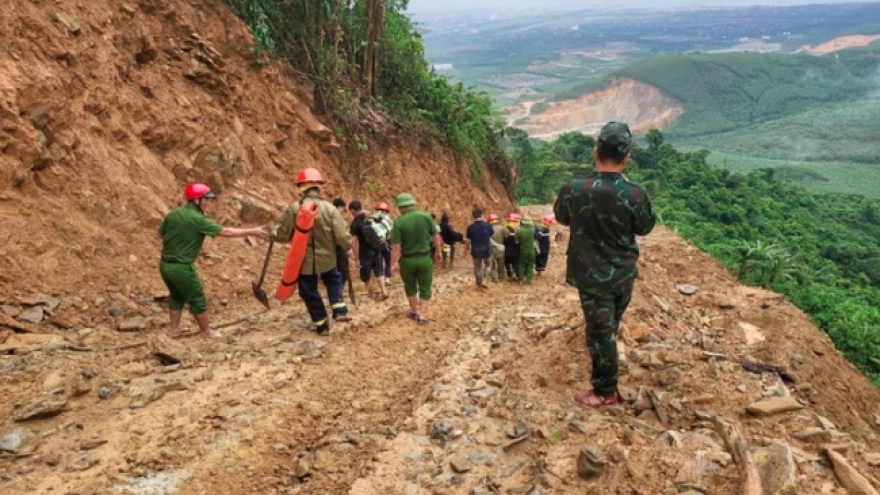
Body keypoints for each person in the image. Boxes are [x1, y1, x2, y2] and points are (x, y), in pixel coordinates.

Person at [553, 121, 656, 407]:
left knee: (599, 333)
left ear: (596, 151)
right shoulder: (635, 193)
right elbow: (645, 228)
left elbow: (562, 218)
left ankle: (605, 391)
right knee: (606, 328)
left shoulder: (573, 189)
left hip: (589, 275)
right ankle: (606, 377)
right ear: (627, 157)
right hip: (623, 273)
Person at [158, 183, 268, 338]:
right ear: (196, 200)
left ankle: (174, 329)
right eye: (206, 199)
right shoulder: (198, 219)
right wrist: (252, 231)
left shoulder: (173, 214)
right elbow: (226, 231)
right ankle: (206, 331)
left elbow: (161, 233)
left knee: (176, 296)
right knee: (197, 297)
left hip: (164, 265)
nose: (208, 203)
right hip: (181, 267)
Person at [272, 168, 352, 336]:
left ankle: (321, 325)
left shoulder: (294, 208)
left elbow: (282, 234)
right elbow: (342, 236)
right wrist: (347, 246)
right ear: (318, 187)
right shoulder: (330, 209)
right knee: (334, 279)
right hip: (328, 259)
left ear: (301, 187)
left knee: (308, 291)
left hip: (304, 261)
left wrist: (271, 232)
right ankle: (340, 310)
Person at [389, 193, 443, 325]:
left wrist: (392, 264)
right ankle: (423, 315)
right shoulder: (426, 217)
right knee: (425, 287)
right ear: (412, 204)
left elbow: (396, 247)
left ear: (400, 207)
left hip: (407, 260)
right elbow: (436, 236)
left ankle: (415, 311)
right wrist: (438, 251)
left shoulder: (398, 222)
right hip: (425, 259)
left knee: (410, 286)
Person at [350, 200, 391, 299]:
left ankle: (371, 294)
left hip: (364, 252)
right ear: (361, 207)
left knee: (366, 274)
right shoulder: (370, 216)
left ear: (352, 210)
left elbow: (355, 242)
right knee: (379, 270)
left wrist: (356, 258)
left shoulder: (355, 223)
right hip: (376, 247)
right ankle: (384, 291)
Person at [465, 209, 495, 289]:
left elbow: (468, 242)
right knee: (488, 265)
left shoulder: (470, 228)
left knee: (477, 267)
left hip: (475, 250)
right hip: (487, 249)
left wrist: (466, 251)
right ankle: (485, 279)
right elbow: (492, 236)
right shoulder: (488, 225)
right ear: (481, 215)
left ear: (473, 217)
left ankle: (479, 284)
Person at [374, 202, 394, 291]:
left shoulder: (387, 221)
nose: (380, 212)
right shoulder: (387, 221)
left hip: (384, 242)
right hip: (382, 243)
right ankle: (385, 280)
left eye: (382, 211)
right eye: (379, 210)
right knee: (381, 261)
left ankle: (387, 278)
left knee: (387, 260)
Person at [332, 198, 350, 289]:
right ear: (340, 207)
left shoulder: (328, 216)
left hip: (329, 248)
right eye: (344, 209)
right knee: (343, 273)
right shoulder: (337, 218)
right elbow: (341, 236)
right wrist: (347, 246)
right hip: (338, 248)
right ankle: (338, 293)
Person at [515, 216, 537, 285]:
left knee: (521, 265)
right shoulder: (533, 230)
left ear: (523, 222)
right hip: (532, 250)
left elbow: (517, 242)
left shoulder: (519, 231)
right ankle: (529, 280)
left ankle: (521, 280)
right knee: (530, 265)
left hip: (523, 250)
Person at [488, 213, 509, 283]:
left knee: (492, 264)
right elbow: (507, 236)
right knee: (501, 264)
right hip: (500, 249)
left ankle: (494, 277)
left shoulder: (487, 228)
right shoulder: (502, 227)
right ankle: (501, 276)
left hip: (490, 249)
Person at [503, 213, 521, 281]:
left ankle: (509, 275)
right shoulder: (517, 231)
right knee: (515, 264)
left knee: (507, 263)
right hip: (514, 251)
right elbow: (518, 242)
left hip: (506, 251)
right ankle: (515, 275)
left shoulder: (504, 230)